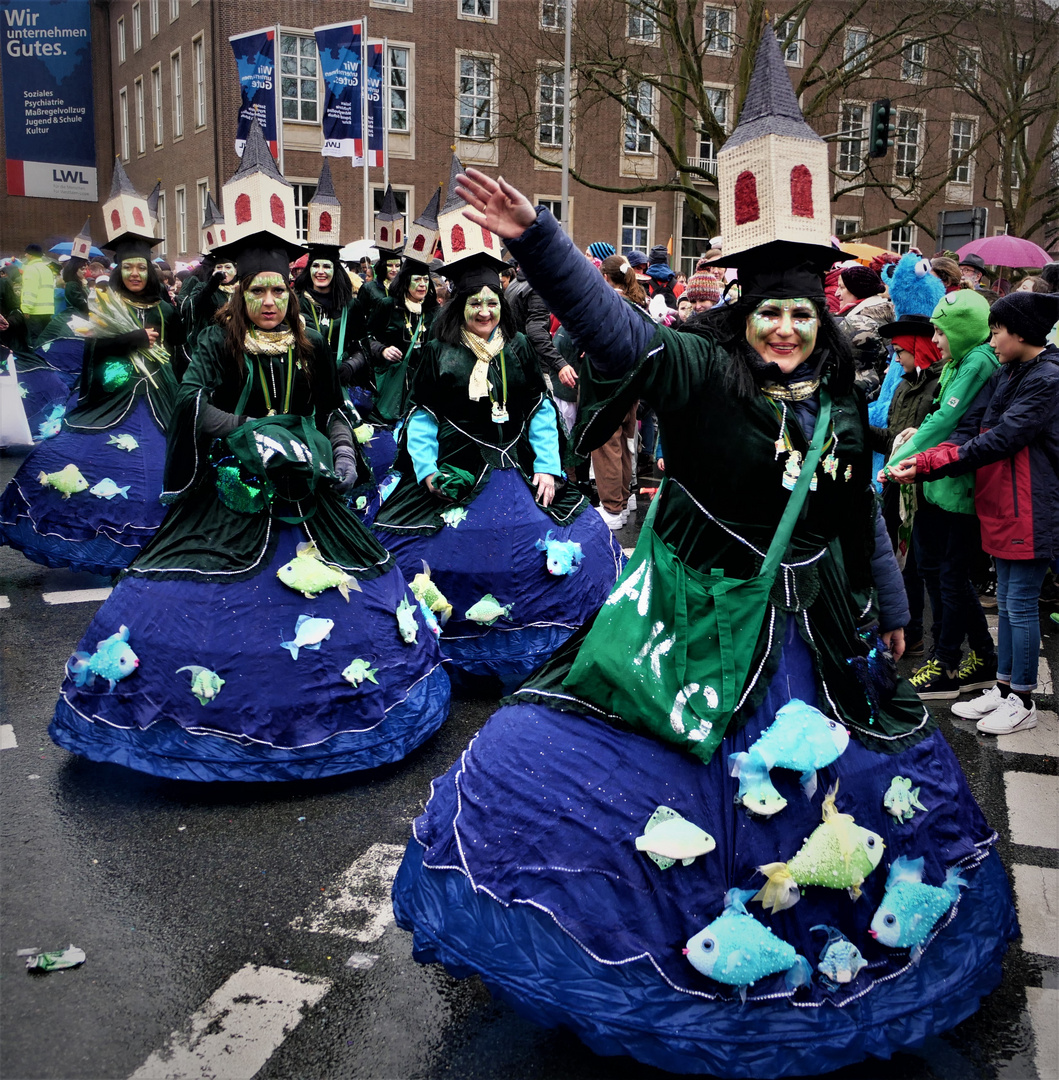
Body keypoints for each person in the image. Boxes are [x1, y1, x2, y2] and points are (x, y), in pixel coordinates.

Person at [391, 42, 1015, 1075]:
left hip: (816, 631)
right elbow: (616, 331)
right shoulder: (696, 371)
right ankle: (657, 960)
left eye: (798, 314)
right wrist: (541, 240)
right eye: (767, 311)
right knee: (647, 779)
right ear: (743, 314)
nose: (781, 327)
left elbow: (857, 519)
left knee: (833, 790)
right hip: (690, 620)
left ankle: (821, 952)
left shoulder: (846, 405)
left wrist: (891, 599)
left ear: (821, 322)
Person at [48, 233, 451, 781]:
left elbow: (332, 409)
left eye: (278, 291)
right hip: (233, 493)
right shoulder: (218, 341)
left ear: (291, 293)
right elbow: (193, 401)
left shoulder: (310, 348)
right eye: (258, 290)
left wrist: (340, 452)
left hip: (307, 494)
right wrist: (252, 431)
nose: (269, 301)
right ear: (241, 294)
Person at [373, 252, 623, 694]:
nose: (484, 312)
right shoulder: (438, 351)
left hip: (518, 464)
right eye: (475, 304)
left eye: (492, 303)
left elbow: (539, 411)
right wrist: (429, 473)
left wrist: (547, 467)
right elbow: (424, 416)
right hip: (458, 466)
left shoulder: (521, 348)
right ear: (460, 308)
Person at [889, 290, 1059, 735]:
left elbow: (999, 437)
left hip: (1031, 507)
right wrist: (924, 459)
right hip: (1005, 503)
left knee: (1019, 606)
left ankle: (1022, 697)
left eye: (999, 330)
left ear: (1021, 333)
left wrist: (928, 460)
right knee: (1005, 602)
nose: (993, 338)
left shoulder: (1047, 378)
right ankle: (1003, 688)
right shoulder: (1013, 369)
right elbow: (973, 429)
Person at [0, 177, 184, 575]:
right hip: (114, 394)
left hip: (161, 397)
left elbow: (178, 356)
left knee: (160, 465)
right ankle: (94, 534)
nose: (136, 274)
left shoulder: (167, 311)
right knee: (83, 456)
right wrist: (131, 340)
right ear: (121, 271)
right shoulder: (106, 304)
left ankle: (155, 540)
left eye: (142, 268)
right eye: (130, 267)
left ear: (151, 272)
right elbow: (94, 352)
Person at [882, 291, 1000, 699]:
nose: (934, 339)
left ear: (962, 330)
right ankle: (981, 658)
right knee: (936, 573)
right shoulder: (960, 362)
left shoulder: (978, 361)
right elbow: (938, 419)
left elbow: (948, 419)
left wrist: (902, 455)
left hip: (958, 488)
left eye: (941, 329)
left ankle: (947, 664)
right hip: (938, 485)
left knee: (950, 578)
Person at [591, 254, 645, 530]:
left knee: (606, 443)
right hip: (632, 382)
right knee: (625, 442)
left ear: (606, 277)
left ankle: (612, 508)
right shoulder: (637, 301)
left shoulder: (607, 303)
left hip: (609, 382)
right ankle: (624, 500)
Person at [20, 244, 56, 346]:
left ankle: (37, 360)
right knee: (46, 339)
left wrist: (26, 308)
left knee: (35, 339)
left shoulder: (31, 269)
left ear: (31, 255)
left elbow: (30, 290)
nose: (25, 255)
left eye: (26, 253)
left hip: (34, 311)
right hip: (48, 310)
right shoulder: (47, 269)